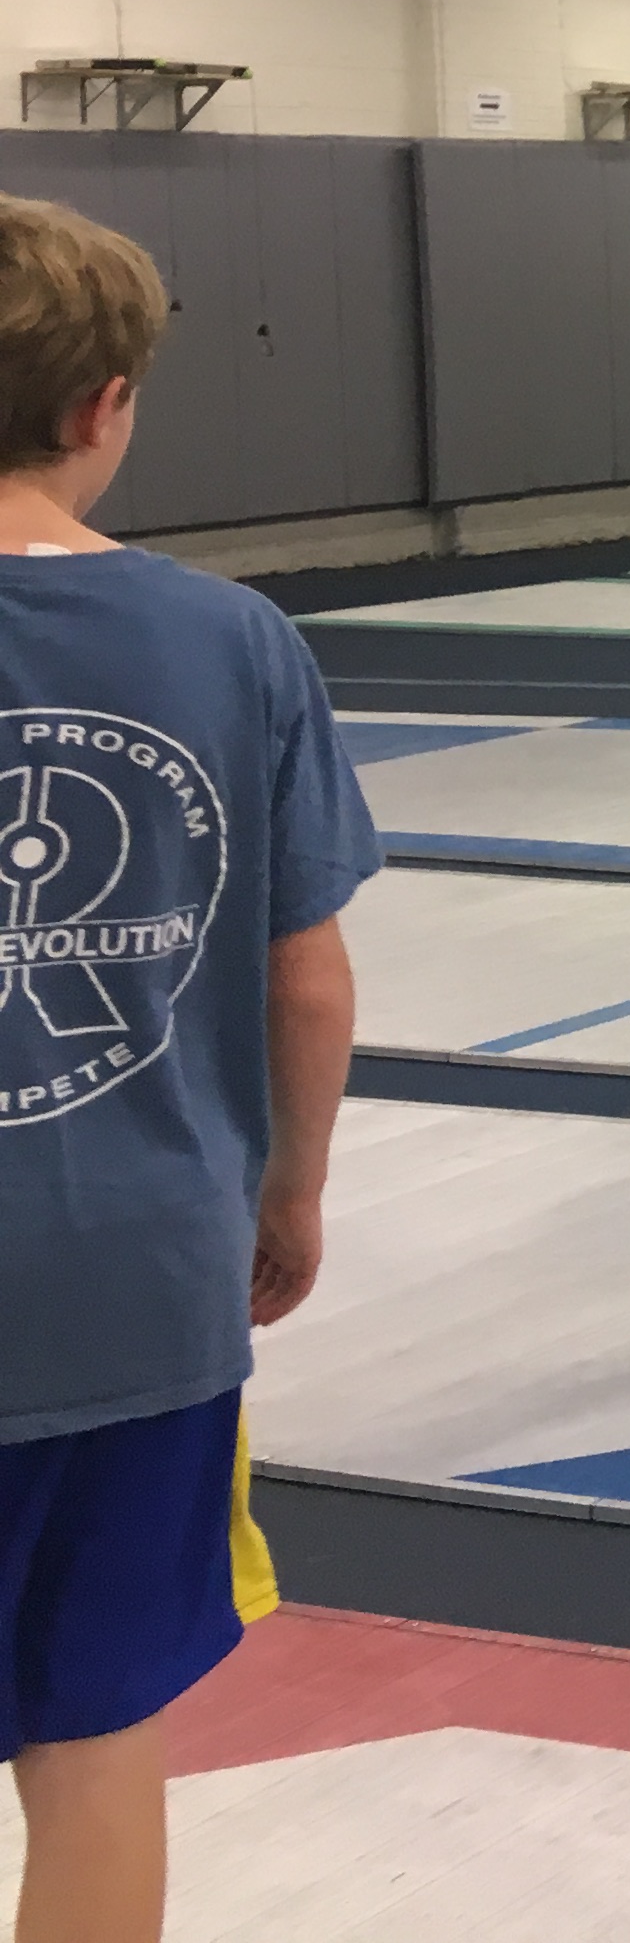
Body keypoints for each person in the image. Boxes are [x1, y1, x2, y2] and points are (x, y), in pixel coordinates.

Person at [0, 193, 375, 1943]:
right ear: (102, 404)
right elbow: (305, 976)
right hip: (136, 1284)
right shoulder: (233, 642)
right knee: (93, 1739)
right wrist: (286, 1186)